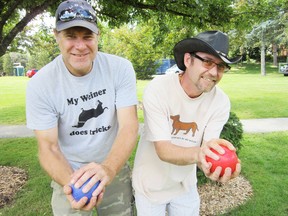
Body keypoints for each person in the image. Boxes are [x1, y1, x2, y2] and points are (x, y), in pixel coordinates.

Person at [26, 0, 138, 215]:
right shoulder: (41, 84)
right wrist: (72, 185)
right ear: (56, 36)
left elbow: (129, 127)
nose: (80, 46)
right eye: (70, 36)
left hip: (112, 165)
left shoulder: (120, 69)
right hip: (68, 171)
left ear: (97, 37)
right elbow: (48, 147)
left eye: (87, 36)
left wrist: (108, 168)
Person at [132, 30, 242, 216]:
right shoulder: (158, 90)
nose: (214, 72)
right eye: (207, 62)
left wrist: (215, 163)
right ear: (188, 60)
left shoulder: (221, 102)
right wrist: (201, 155)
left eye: (221, 66)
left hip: (185, 185)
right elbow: (164, 150)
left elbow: (209, 147)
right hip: (149, 186)